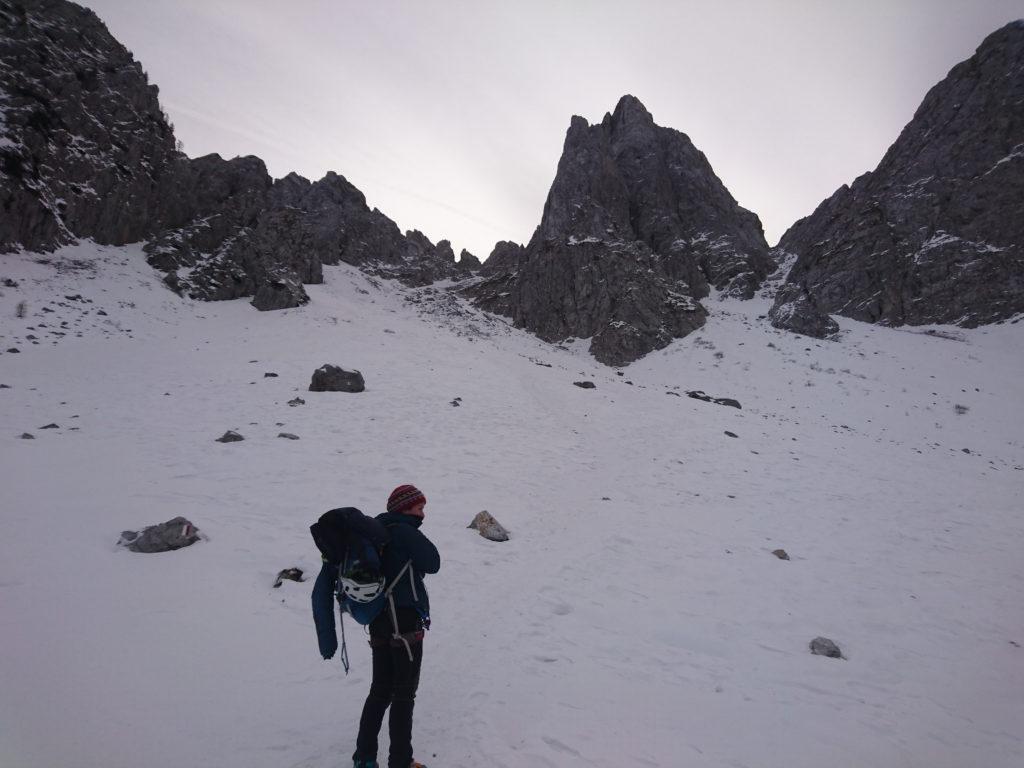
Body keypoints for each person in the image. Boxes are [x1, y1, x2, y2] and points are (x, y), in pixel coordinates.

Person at [353, 484, 440, 768]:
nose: (422, 514)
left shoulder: (375, 530)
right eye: (418, 509)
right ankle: (400, 762)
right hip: (404, 622)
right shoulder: (405, 532)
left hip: (379, 620)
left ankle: (364, 758)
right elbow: (433, 561)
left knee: (380, 690)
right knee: (404, 694)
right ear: (404, 509)